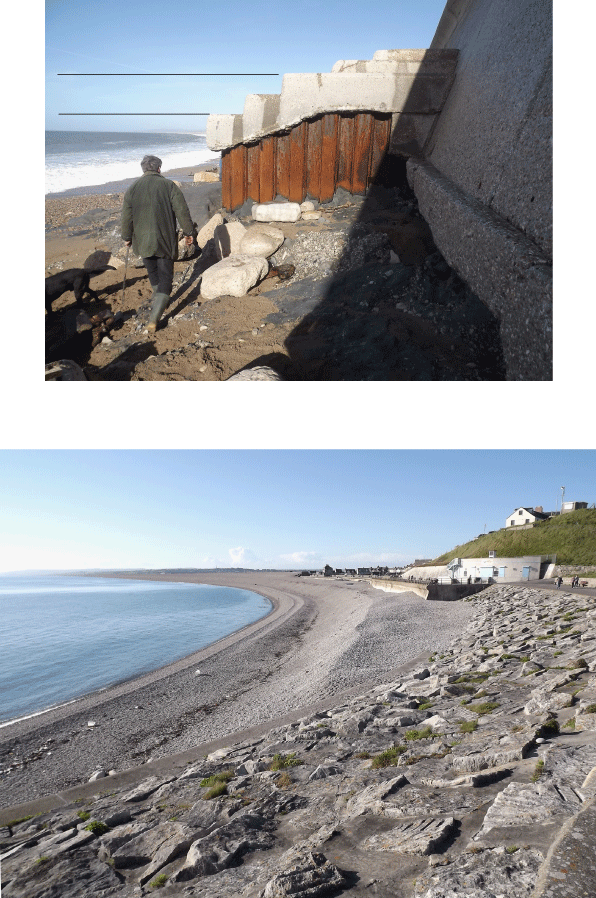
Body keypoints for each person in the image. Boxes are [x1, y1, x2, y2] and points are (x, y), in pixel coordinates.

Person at [121, 155, 195, 332]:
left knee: (153, 274)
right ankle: (154, 319)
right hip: (164, 240)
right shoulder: (168, 185)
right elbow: (182, 210)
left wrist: (127, 237)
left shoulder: (132, 188)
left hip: (142, 241)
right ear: (159, 169)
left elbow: (126, 217)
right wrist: (189, 232)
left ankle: (159, 302)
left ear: (143, 169)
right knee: (166, 279)